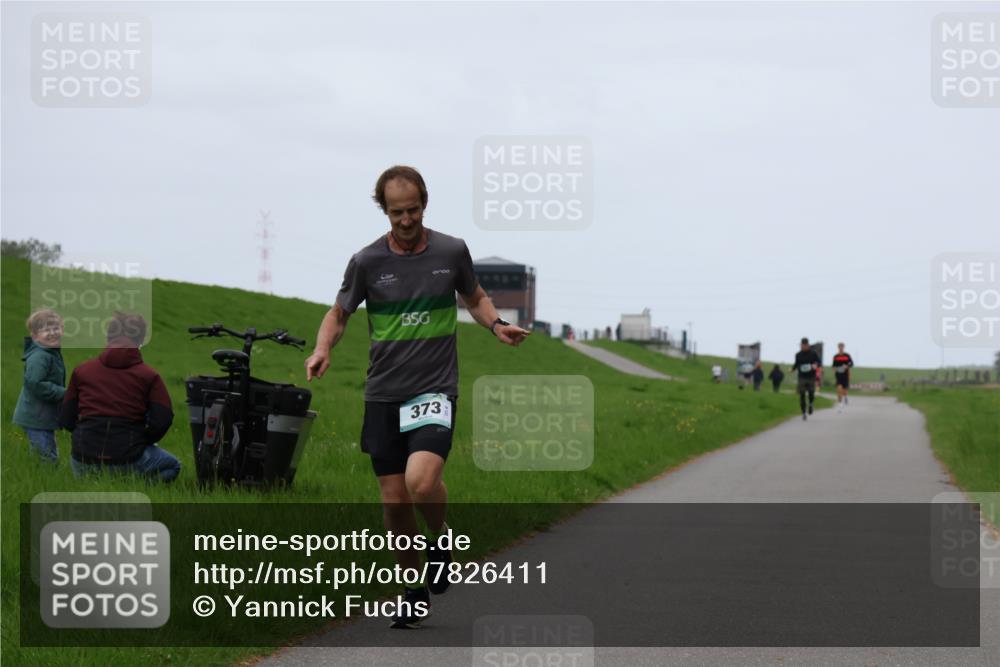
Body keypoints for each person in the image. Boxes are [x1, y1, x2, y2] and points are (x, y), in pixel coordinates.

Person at [304, 166, 530, 629]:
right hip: (383, 393)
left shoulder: (451, 251)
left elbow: (475, 296)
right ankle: (412, 590)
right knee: (394, 503)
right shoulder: (367, 261)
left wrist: (496, 324)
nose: (405, 220)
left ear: (424, 203)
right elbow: (339, 312)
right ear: (384, 210)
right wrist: (323, 347)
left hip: (434, 389)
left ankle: (441, 538)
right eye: (396, 213)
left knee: (421, 483)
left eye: (413, 210)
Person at [59, 312, 180, 482]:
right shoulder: (149, 376)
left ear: (109, 337)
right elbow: (163, 419)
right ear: (140, 340)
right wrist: (144, 440)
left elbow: (65, 418)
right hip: (128, 457)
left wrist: (85, 432)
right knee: (172, 465)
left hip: (83, 460)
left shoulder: (82, 370)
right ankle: (135, 488)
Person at [13, 309, 66, 464]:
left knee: (46, 450)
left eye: (55, 328)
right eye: (45, 330)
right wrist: (64, 393)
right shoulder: (40, 356)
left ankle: (46, 473)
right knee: (45, 456)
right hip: (36, 416)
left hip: (42, 414)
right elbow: (36, 384)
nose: (52, 332)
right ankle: (46, 477)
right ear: (34, 335)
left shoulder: (51, 353)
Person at [790, 337, 821, 420]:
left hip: (811, 376)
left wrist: (816, 365)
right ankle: (804, 413)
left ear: (808, 345)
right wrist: (792, 369)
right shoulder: (798, 355)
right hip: (802, 377)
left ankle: (810, 404)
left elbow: (819, 362)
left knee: (811, 392)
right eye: (801, 345)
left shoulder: (813, 353)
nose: (802, 347)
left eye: (804, 345)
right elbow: (796, 364)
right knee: (802, 394)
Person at [831, 342, 855, 411]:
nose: (841, 348)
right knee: (839, 389)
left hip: (845, 375)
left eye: (842, 347)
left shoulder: (847, 355)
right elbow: (833, 366)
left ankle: (845, 396)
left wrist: (847, 366)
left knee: (844, 390)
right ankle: (840, 403)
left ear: (844, 347)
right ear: (838, 348)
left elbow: (852, 364)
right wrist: (834, 368)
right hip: (838, 375)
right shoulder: (835, 356)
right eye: (839, 347)